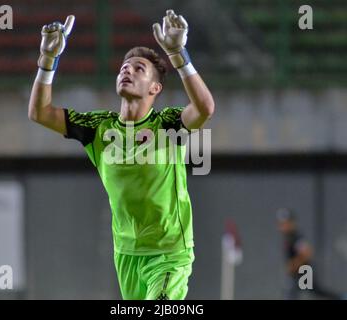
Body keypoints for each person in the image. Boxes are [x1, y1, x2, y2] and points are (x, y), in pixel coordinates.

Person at [28, 10, 214, 300]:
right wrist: (48, 60)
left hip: (169, 252)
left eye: (138, 68)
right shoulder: (97, 128)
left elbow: (204, 109)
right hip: (127, 253)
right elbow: (39, 112)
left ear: (155, 88)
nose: (127, 70)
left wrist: (179, 54)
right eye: (124, 67)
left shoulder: (165, 125)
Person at [276, 208, 342, 300]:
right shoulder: (288, 237)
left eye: (286, 223)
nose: (283, 226)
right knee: (314, 291)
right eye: (281, 224)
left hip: (303, 271)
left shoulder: (296, 237)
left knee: (294, 292)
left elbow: (307, 253)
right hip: (297, 273)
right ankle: (342, 297)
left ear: (292, 223)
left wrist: (294, 264)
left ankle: (342, 297)